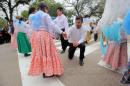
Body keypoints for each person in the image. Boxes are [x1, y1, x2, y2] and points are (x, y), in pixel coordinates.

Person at [28, 2, 64, 77]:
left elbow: (30, 27)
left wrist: (31, 38)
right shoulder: (45, 15)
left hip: (36, 36)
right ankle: (49, 72)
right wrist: (61, 32)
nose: (47, 10)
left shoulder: (32, 16)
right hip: (44, 36)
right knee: (48, 53)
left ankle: (44, 71)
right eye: (47, 9)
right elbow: (52, 25)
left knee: (41, 54)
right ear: (44, 8)